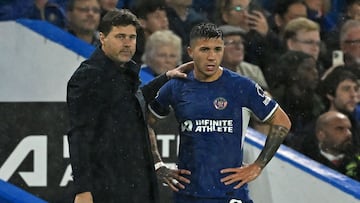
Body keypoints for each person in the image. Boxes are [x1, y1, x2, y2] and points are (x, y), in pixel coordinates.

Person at [148, 23, 291, 203]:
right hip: (187, 194)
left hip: (230, 195)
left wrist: (258, 166)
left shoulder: (242, 87)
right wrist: (158, 164)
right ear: (190, 52)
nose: (211, 57)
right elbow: (145, 121)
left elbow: (282, 121)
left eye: (217, 49)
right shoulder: (177, 86)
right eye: (205, 49)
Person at [67, 9, 189, 203]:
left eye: (132, 37)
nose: (127, 43)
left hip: (135, 182)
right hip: (108, 186)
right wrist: (83, 190)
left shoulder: (124, 71)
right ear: (102, 38)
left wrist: (166, 77)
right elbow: (79, 135)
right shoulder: (88, 76)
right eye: (120, 36)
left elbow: (132, 102)